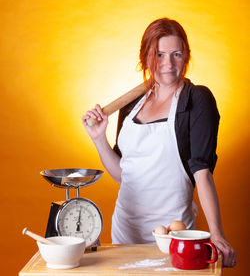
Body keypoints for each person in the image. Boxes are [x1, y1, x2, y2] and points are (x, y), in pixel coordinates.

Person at [82, 17, 236, 267]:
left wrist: (217, 235)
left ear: (186, 56)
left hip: (173, 238)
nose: (168, 64)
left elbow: (202, 172)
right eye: (160, 55)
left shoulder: (196, 100)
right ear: (146, 57)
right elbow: (125, 174)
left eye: (176, 54)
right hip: (124, 232)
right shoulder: (131, 104)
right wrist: (99, 139)